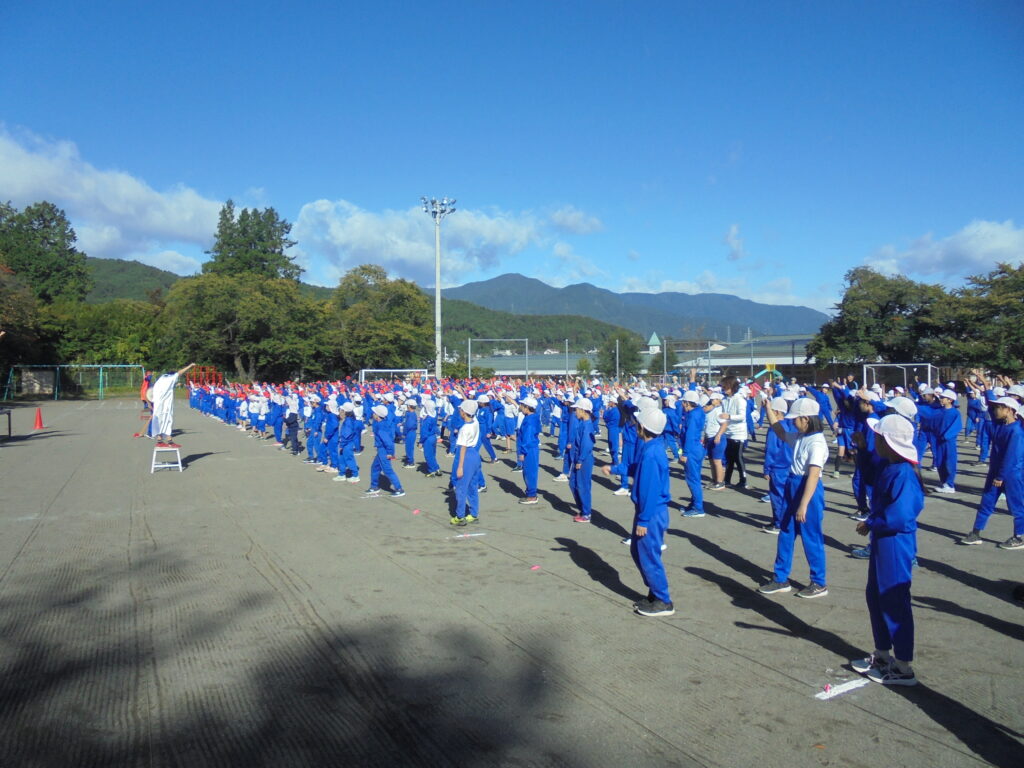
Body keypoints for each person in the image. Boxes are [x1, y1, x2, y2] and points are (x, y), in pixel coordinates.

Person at [850, 413, 924, 686]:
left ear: (890, 442)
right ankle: (882, 654)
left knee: (894, 600)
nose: (875, 439)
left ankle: (903, 666)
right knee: (876, 596)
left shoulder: (903, 472)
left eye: (878, 437)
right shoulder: (889, 464)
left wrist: (872, 522)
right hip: (883, 539)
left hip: (894, 540)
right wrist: (862, 450)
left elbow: (901, 516)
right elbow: (870, 474)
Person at [758, 397, 829, 599]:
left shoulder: (816, 442)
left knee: (811, 536)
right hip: (793, 483)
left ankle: (819, 582)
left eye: (795, 419)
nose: (792, 422)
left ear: (806, 419)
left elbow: (814, 475)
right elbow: (779, 430)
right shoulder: (800, 436)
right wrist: (769, 409)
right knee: (786, 532)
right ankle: (780, 578)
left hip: (808, 489)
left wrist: (803, 505)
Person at [625, 406, 674, 617]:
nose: (635, 425)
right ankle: (655, 592)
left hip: (651, 513)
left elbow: (649, 489)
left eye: (638, 422)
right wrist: (617, 469)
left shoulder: (652, 452)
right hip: (649, 511)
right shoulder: (651, 446)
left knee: (648, 556)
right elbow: (636, 469)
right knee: (638, 551)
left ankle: (663, 600)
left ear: (643, 427)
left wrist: (644, 520)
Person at [960, 397, 1024, 549]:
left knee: (1016, 506)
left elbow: (1011, 457)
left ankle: (1019, 536)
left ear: (1009, 410)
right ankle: (975, 533)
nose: (995, 411)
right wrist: (987, 393)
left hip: (1011, 474)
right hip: (996, 473)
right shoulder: (997, 425)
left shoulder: (1017, 431)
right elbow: (988, 408)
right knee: (986, 502)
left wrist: (1001, 476)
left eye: (999, 408)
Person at [450, 400, 482, 526]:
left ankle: (460, 516)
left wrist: (460, 467)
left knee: (461, 488)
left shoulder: (464, 428)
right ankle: (474, 513)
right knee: (472, 486)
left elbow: (462, 448)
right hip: (475, 455)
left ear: (464, 412)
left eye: (461, 410)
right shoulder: (475, 422)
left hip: (467, 455)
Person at [149, 363, 195, 447]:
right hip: (165, 405)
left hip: (157, 404)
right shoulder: (171, 378)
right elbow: (180, 372)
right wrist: (190, 366)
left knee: (158, 421)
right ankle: (169, 441)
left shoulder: (161, 379)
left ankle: (159, 441)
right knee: (168, 420)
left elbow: (165, 389)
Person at [365, 404, 405, 498]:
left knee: (387, 470)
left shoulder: (381, 427)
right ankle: (374, 486)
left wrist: (390, 453)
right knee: (375, 467)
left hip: (384, 451)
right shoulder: (385, 422)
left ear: (377, 416)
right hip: (381, 449)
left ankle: (399, 489)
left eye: (374, 413)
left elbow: (389, 443)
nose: (373, 414)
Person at [679, 391, 706, 518]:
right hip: (696, 448)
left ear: (688, 403)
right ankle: (694, 503)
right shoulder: (698, 411)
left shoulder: (692, 415)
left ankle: (698, 508)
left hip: (692, 449)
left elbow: (689, 435)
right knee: (695, 478)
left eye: (684, 402)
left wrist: (685, 453)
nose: (682, 404)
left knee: (692, 479)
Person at [568, 397, 596, 522]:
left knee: (583, 485)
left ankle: (586, 513)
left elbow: (586, 445)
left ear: (584, 410)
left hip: (583, 459)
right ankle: (582, 508)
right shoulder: (582, 423)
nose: (575, 412)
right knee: (573, 483)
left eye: (577, 409)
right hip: (577, 456)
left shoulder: (587, 426)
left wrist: (580, 460)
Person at [516, 396, 541, 505]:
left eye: (522, 405)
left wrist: (522, 451)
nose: (520, 407)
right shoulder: (532, 417)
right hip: (530, 448)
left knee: (529, 472)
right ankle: (530, 493)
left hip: (529, 449)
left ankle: (532, 495)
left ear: (527, 407)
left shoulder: (530, 420)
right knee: (528, 471)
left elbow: (528, 437)